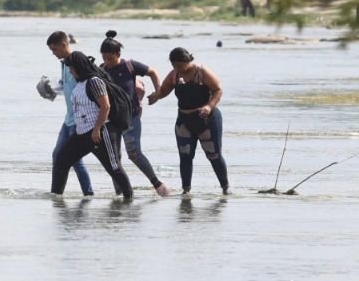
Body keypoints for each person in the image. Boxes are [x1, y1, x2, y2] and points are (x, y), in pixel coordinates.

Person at [147, 47, 230, 195]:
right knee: (185, 156)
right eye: (174, 66)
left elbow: (218, 90)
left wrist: (209, 106)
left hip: (207, 120)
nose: (177, 68)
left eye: (179, 65)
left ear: (188, 60)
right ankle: (186, 191)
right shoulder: (174, 75)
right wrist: (156, 96)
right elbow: (165, 90)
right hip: (184, 121)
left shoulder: (202, 72)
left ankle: (225, 188)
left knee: (214, 155)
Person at [50, 51, 133, 201]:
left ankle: (129, 199)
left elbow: (105, 106)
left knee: (113, 167)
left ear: (79, 67)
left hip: (100, 133)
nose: (70, 71)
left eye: (72, 68)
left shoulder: (94, 81)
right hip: (82, 133)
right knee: (62, 159)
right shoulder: (80, 83)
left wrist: (96, 129)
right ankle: (56, 198)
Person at [99, 31, 170, 197]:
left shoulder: (129, 65)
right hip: (111, 119)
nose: (108, 62)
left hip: (131, 117)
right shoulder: (101, 70)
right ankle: (120, 193)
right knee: (114, 158)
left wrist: (158, 92)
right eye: (104, 58)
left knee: (134, 153)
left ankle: (158, 185)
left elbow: (152, 72)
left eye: (111, 58)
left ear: (118, 54)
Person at [46, 31, 94, 196]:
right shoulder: (63, 62)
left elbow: (89, 85)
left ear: (64, 45)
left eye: (54, 49)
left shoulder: (78, 62)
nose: (53, 53)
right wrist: (51, 89)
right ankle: (56, 194)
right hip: (68, 120)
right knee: (58, 155)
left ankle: (87, 194)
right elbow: (67, 85)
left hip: (79, 121)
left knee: (74, 160)